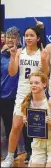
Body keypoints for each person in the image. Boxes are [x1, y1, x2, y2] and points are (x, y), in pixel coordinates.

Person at [1, 25, 46, 167]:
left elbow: (46, 75)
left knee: (37, 126)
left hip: (37, 93)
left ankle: (37, 154)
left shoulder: (42, 53)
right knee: (16, 126)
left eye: (31, 35)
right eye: (26, 35)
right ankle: (9, 157)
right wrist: (13, 56)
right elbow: (13, 72)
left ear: (38, 38)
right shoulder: (20, 52)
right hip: (22, 93)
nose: (28, 38)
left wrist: (44, 61)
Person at [21, 72, 51, 167]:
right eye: (31, 83)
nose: (33, 85)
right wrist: (26, 122)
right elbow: (30, 127)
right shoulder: (26, 102)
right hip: (38, 143)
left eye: (36, 83)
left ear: (44, 84)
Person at [0, 27, 20, 160]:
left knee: (11, 127)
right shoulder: (1, 56)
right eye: (8, 37)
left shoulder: (22, 54)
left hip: (15, 96)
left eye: (13, 37)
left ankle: (13, 153)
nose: (10, 39)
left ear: (18, 39)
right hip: (2, 96)